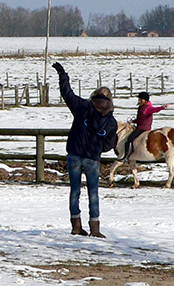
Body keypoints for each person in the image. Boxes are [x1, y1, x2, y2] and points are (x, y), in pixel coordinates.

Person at [52, 62, 117, 238]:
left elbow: (67, 93)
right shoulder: (111, 122)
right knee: (93, 193)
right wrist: (98, 149)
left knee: (75, 191)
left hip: (74, 155)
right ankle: (95, 229)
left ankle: (76, 226)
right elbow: (110, 143)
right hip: (92, 159)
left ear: (95, 95)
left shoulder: (82, 107)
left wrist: (62, 74)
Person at [121, 92, 169, 160]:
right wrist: (133, 121)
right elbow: (141, 119)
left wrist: (162, 107)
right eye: (139, 99)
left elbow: (155, 109)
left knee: (129, 139)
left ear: (145, 100)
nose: (139, 101)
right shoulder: (142, 107)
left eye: (141, 99)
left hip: (143, 128)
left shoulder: (148, 108)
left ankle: (126, 156)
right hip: (140, 126)